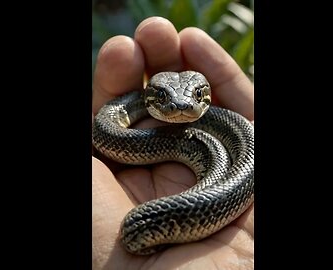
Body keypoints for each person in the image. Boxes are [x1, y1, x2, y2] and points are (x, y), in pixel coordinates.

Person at [92, 17, 254, 269]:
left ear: (205, 95)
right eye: (164, 98)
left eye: (197, 97)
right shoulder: (109, 125)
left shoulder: (235, 133)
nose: (182, 106)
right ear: (149, 98)